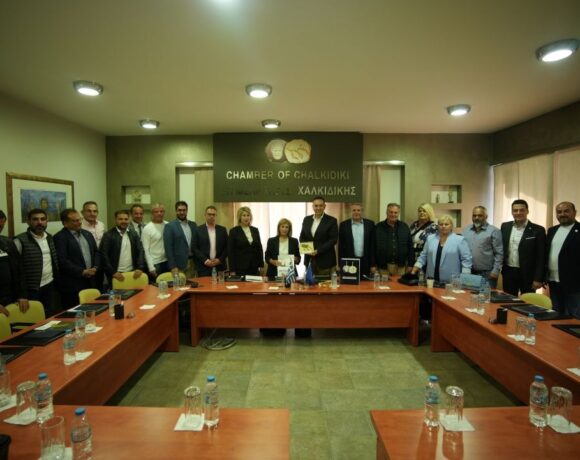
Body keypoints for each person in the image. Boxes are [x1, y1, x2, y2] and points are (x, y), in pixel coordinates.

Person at [14, 208, 60, 316]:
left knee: (50, 317)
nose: (40, 222)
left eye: (43, 219)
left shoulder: (50, 237)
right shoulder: (19, 240)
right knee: (34, 320)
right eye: (35, 219)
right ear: (28, 221)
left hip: (49, 285)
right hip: (31, 290)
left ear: (47, 221)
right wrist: (21, 294)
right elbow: (15, 270)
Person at [53, 208, 100, 308]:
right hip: (73, 284)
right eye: (74, 221)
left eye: (79, 219)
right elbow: (62, 261)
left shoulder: (87, 234)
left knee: (93, 310)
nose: (79, 222)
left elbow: (96, 252)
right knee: (76, 313)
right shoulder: (60, 237)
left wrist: (95, 267)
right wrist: (82, 271)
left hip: (91, 280)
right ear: (65, 223)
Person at [500, 199, 546, 296]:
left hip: (528, 274)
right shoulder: (505, 226)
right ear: (512, 212)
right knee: (508, 300)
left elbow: (541, 256)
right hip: (509, 272)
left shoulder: (538, 230)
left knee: (527, 301)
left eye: (522, 210)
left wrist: (538, 278)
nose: (518, 213)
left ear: (527, 211)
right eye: (515, 210)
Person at [411, 214, 472, 284]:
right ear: (437, 226)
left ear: (451, 226)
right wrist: (413, 271)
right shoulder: (430, 238)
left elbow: (466, 260)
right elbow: (423, 256)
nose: (443, 226)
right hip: (431, 280)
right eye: (441, 224)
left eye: (446, 224)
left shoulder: (460, 240)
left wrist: (465, 279)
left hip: (451, 282)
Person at [546, 201, 580, 318]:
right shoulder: (552, 230)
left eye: (566, 211)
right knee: (556, 314)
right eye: (559, 212)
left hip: (574, 284)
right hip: (553, 281)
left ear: (574, 212)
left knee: (574, 317)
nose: (562, 214)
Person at [100, 210, 146, 284]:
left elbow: (140, 250)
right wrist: (112, 272)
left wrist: (140, 267)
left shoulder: (133, 234)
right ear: (115, 220)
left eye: (126, 219)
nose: (123, 221)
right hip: (116, 274)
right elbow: (103, 255)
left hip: (132, 272)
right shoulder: (108, 235)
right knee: (117, 292)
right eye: (120, 219)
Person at [463, 206, 503, 288]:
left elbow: (499, 253)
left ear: (486, 216)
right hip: (469, 272)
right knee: (468, 295)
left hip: (487, 274)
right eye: (474, 215)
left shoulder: (494, 231)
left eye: (480, 215)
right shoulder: (466, 230)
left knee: (485, 296)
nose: (476, 218)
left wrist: (496, 271)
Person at [299, 196, 338, 276]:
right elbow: (302, 237)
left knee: (325, 284)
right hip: (309, 260)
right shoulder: (307, 219)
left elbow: (333, 240)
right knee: (309, 283)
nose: (318, 208)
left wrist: (318, 251)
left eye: (321, 205)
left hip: (326, 262)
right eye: (316, 206)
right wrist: (307, 250)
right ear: (313, 206)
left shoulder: (332, 220)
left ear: (324, 206)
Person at [373, 203, 414, 276]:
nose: (393, 214)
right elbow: (372, 247)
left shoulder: (404, 227)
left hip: (400, 267)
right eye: (391, 212)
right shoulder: (378, 227)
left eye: (395, 212)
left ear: (398, 213)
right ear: (386, 212)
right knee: (383, 283)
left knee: (399, 283)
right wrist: (372, 265)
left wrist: (411, 264)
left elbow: (410, 247)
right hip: (383, 267)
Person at [0, 210, 27, 316]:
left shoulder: (7, 242)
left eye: (1, 226)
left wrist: (22, 295)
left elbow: (19, 270)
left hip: (10, 298)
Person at [338, 203, 374, 277]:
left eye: (358, 210)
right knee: (351, 282)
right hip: (349, 262)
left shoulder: (370, 224)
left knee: (365, 283)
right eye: (354, 210)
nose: (356, 212)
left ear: (362, 211)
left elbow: (373, 245)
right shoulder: (343, 225)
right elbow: (341, 246)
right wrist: (340, 264)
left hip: (366, 261)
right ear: (350, 212)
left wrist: (373, 264)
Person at [163, 201, 197, 278]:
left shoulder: (193, 225)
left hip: (193, 263)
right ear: (176, 211)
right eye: (179, 210)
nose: (182, 212)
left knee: (192, 284)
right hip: (178, 265)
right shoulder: (170, 226)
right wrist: (172, 266)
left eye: (184, 210)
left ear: (187, 211)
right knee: (180, 285)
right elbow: (168, 248)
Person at [192, 205, 228, 277]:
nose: (211, 216)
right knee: (204, 284)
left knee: (220, 284)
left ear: (216, 216)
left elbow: (227, 247)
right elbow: (194, 248)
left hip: (219, 266)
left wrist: (220, 260)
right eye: (209, 214)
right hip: (203, 266)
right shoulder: (198, 230)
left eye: (213, 215)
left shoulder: (222, 230)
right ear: (205, 215)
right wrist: (205, 260)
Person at [228, 207, 264, 276]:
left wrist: (261, 265)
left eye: (248, 215)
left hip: (254, 267)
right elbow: (231, 252)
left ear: (250, 217)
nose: (246, 218)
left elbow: (259, 248)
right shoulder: (233, 231)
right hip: (240, 267)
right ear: (240, 217)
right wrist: (232, 270)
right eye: (244, 215)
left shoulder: (255, 230)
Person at [142, 203, 169, 280]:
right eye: (156, 212)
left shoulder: (168, 225)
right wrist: (151, 267)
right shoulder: (147, 228)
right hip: (155, 263)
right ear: (152, 213)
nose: (159, 213)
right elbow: (146, 249)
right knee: (156, 286)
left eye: (161, 211)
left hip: (167, 262)